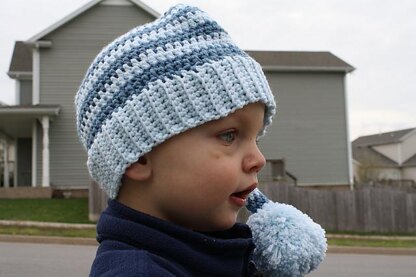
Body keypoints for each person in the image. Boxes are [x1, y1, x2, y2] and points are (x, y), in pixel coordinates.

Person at [75, 4, 326, 276]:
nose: (258, 160)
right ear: (138, 156)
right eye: (229, 136)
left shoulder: (214, 254)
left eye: (256, 139)